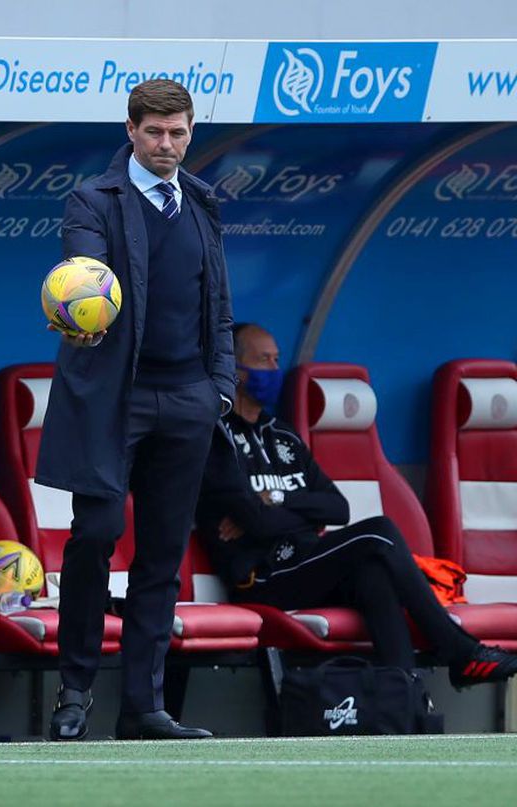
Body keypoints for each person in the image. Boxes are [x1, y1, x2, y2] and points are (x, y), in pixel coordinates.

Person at [36, 79, 234, 741]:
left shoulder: (201, 201)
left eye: (178, 132)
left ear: (191, 131)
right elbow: (83, 273)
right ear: (131, 130)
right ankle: (75, 692)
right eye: (154, 132)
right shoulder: (93, 199)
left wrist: (219, 388)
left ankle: (144, 706)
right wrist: (81, 317)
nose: (167, 144)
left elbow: (219, 306)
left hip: (188, 400)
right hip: (112, 401)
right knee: (94, 534)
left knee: (162, 555)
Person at [195, 323, 517, 685]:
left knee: (373, 574)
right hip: (264, 577)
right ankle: (458, 651)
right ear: (236, 371)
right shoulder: (218, 440)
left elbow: (337, 508)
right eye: (263, 361)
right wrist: (292, 515)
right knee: (379, 532)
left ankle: (402, 696)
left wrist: (279, 500)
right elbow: (259, 523)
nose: (274, 370)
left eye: (277, 360)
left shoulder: (284, 436)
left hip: (309, 561)